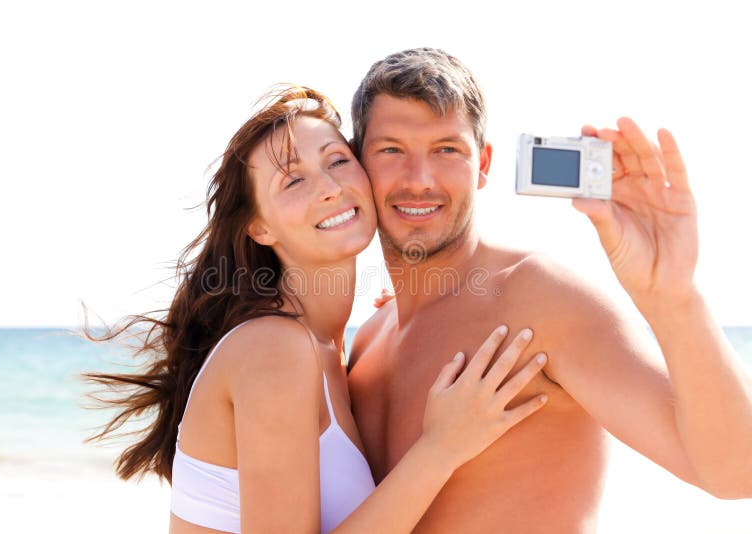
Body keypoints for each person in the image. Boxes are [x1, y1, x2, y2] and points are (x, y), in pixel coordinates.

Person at [85, 86, 551, 533]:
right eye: (293, 180)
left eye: (337, 161)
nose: (329, 188)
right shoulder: (274, 347)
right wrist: (440, 449)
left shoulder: (332, 350)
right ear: (259, 227)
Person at [347, 47, 752, 533]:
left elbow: (735, 473)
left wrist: (676, 300)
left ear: (483, 164)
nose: (420, 179)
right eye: (391, 149)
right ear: (356, 165)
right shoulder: (367, 343)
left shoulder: (538, 298)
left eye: (447, 149)